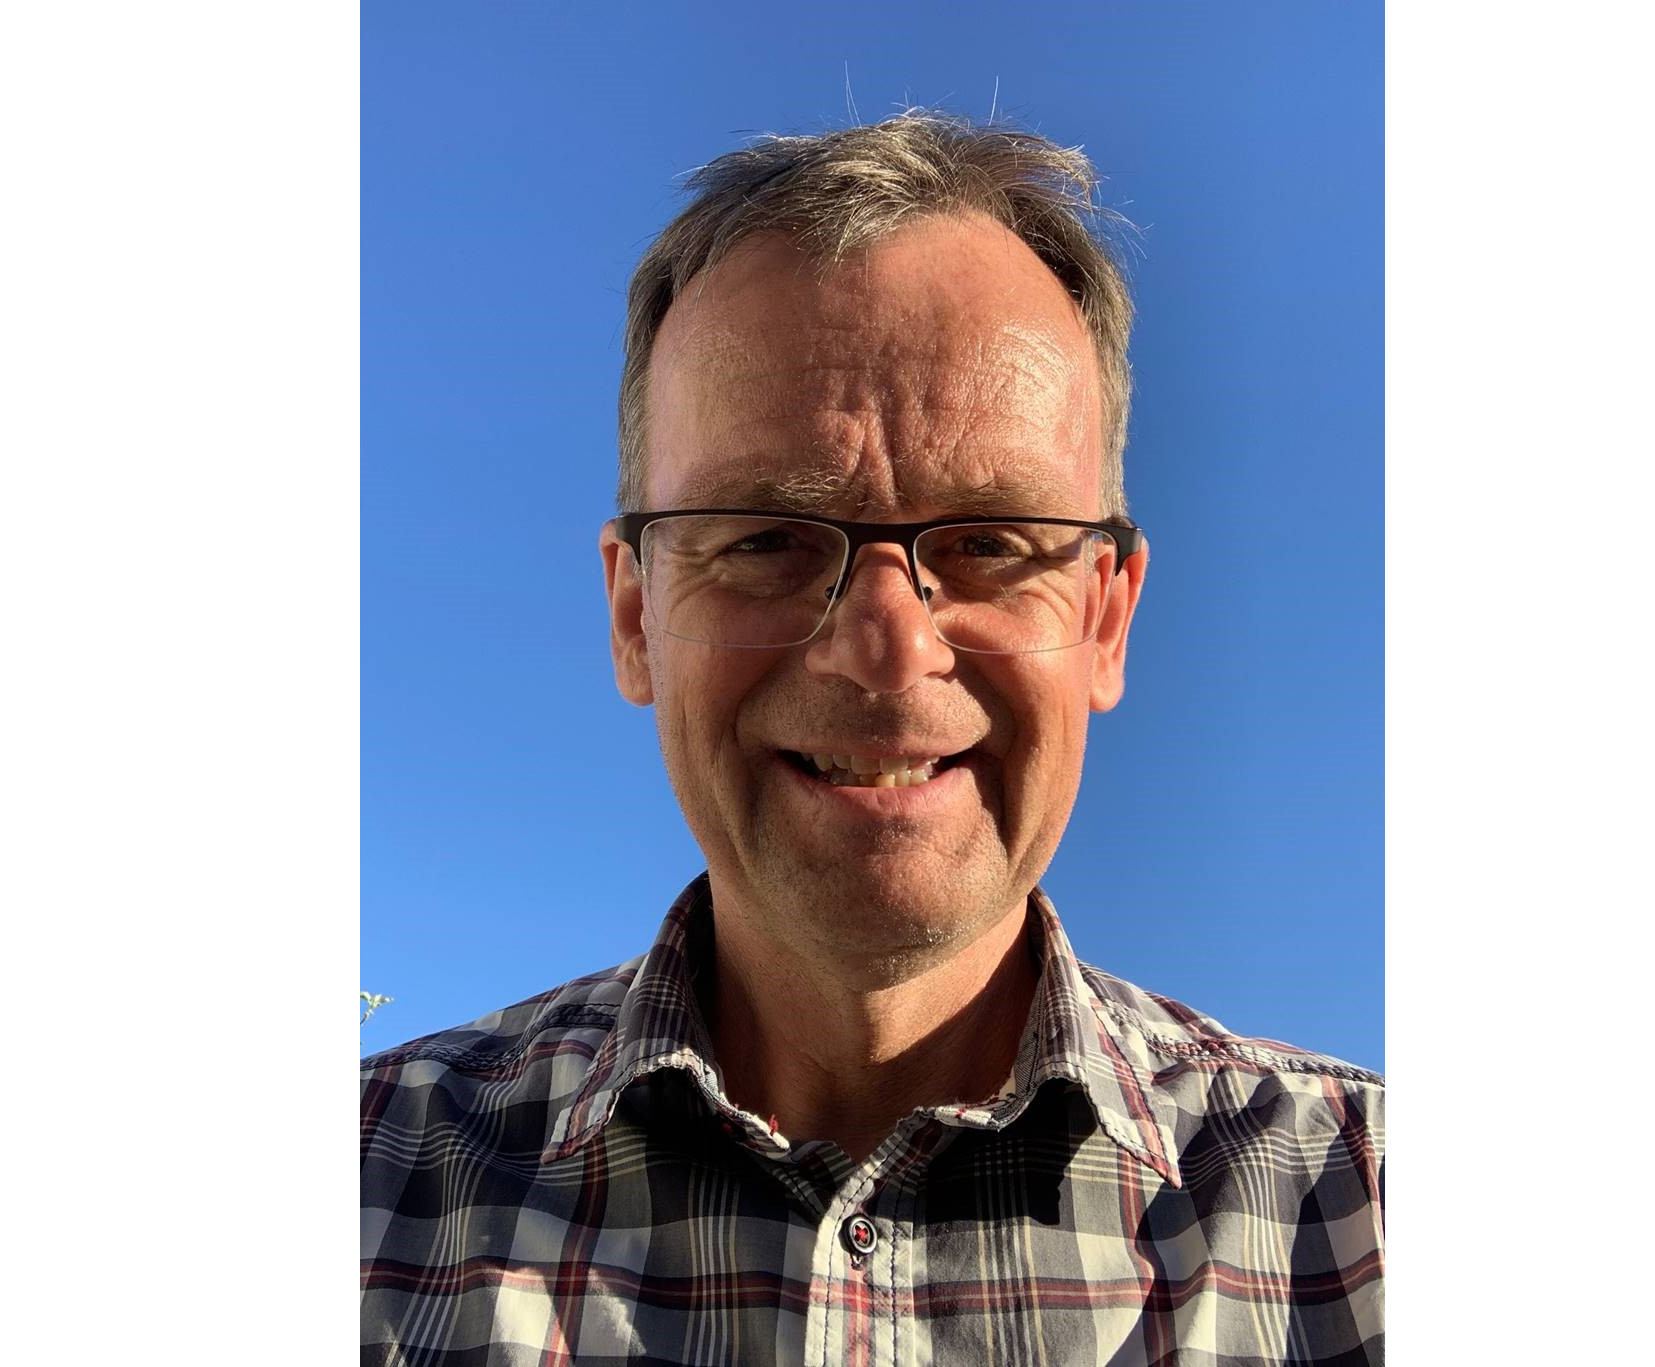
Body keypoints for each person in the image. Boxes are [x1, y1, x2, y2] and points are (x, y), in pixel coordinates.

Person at [361, 111, 1383, 1366]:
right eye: (765, 537)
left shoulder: (1365, 1212)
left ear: (1105, 619)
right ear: (634, 615)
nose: (889, 649)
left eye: (992, 541)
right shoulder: (364, 1190)